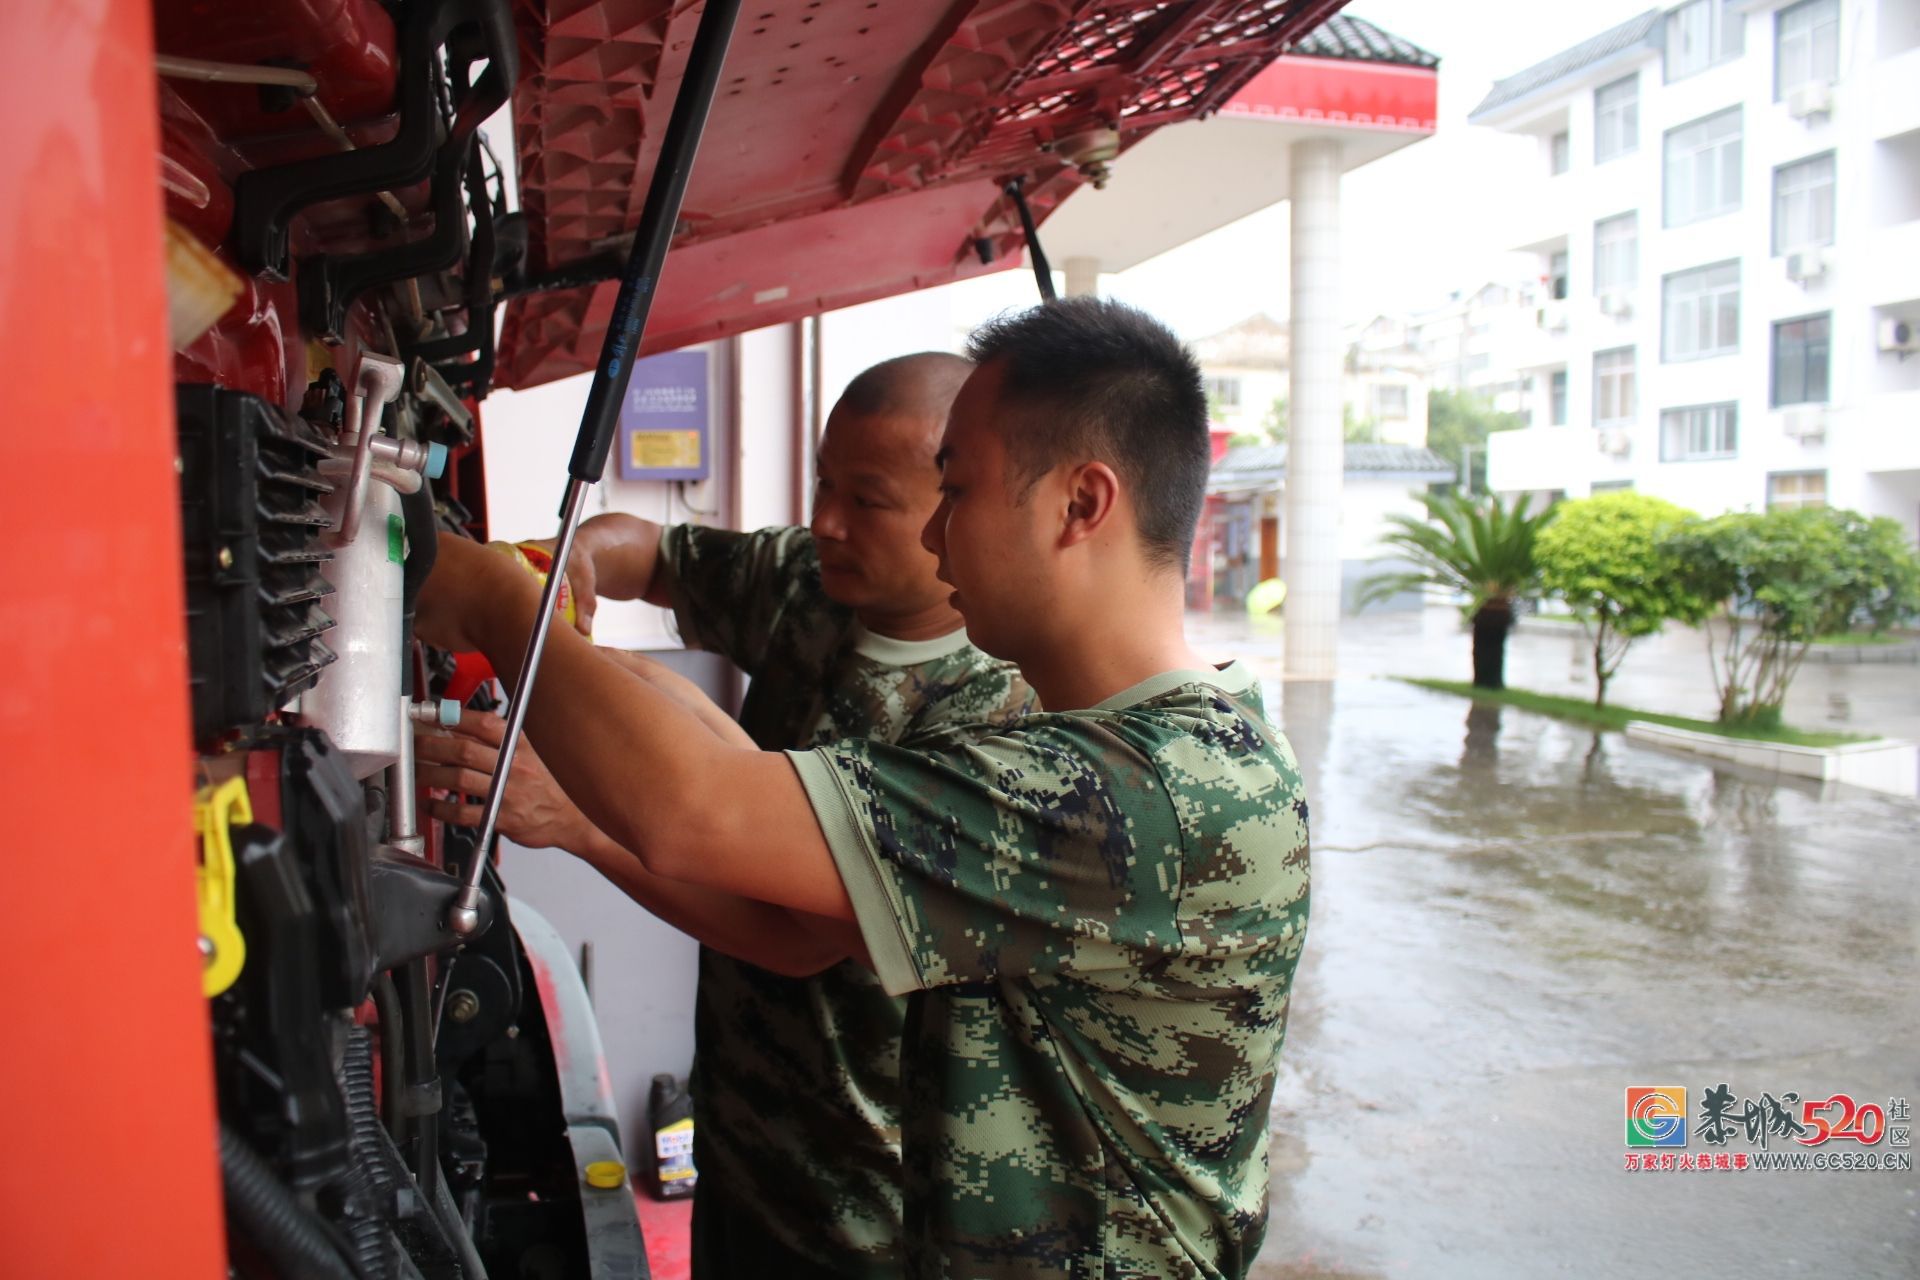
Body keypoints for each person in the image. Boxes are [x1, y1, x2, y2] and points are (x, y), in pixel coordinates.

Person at [415, 298, 1311, 1278]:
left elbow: (698, 810)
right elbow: (747, 783)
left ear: (1081, 504)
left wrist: (507, 608)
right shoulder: (1125, 750)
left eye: (958, 492)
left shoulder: (1139, 794)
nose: (935, 540)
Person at [420, 353, 1035, 1279]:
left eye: (866, 500)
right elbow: (653, 553)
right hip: (742, 1142)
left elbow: (799, 937)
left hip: (860, 1203)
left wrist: (578, 820)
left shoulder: (981, 714)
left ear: (949, 504)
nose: (825, 520)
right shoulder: (808, 584)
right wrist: (581, 562)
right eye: (823, 482)